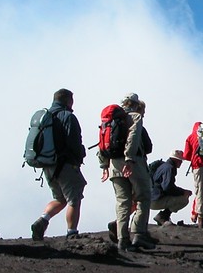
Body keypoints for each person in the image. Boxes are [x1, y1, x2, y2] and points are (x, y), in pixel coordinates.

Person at [99, 93, 155, 252]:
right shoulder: (135, 117)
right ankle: (139, 234)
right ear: (136, 104)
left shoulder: (110, 119)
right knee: (143, 197)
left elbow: (102, 142)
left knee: (122, 201)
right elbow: (133, 137)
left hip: (113, 164)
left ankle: (122, 240)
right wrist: (129, 159)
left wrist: (104, 165)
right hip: (133, 162)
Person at [30, 89, 87, 241]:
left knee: (60, 198)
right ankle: (72, 232)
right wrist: (80, 155)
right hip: (66, 165)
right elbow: (73, 141)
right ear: (68, 100)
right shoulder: (67, 116)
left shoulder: (46, 116)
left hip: (47, 164)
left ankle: (42, 220)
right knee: (74, 199)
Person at [149, 149, 192, 225]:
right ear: (175, 160)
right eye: (180, 160)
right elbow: (167, 188)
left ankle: (163, 217)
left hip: (149, 198)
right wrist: (183, 192)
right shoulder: (169, 168)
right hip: (155, 200)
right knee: (184, 200)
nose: (181, 162)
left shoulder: (163, 166)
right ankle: (162, 217)